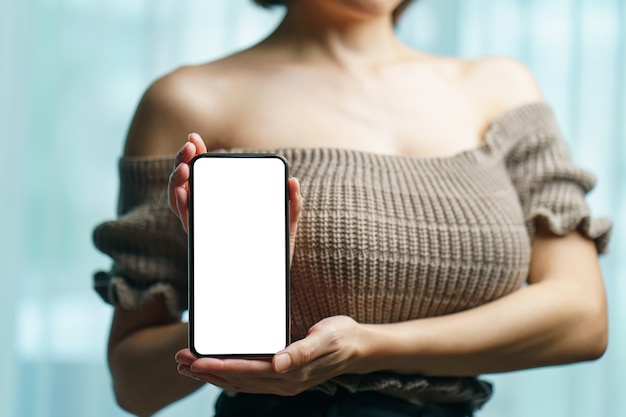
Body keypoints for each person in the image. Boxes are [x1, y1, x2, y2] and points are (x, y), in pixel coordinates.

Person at [92, 0, 612, 416]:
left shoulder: (500, 88)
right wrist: (241, 308)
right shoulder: (188, 102)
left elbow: (581, 319)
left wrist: (367, 345)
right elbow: (135, 386)